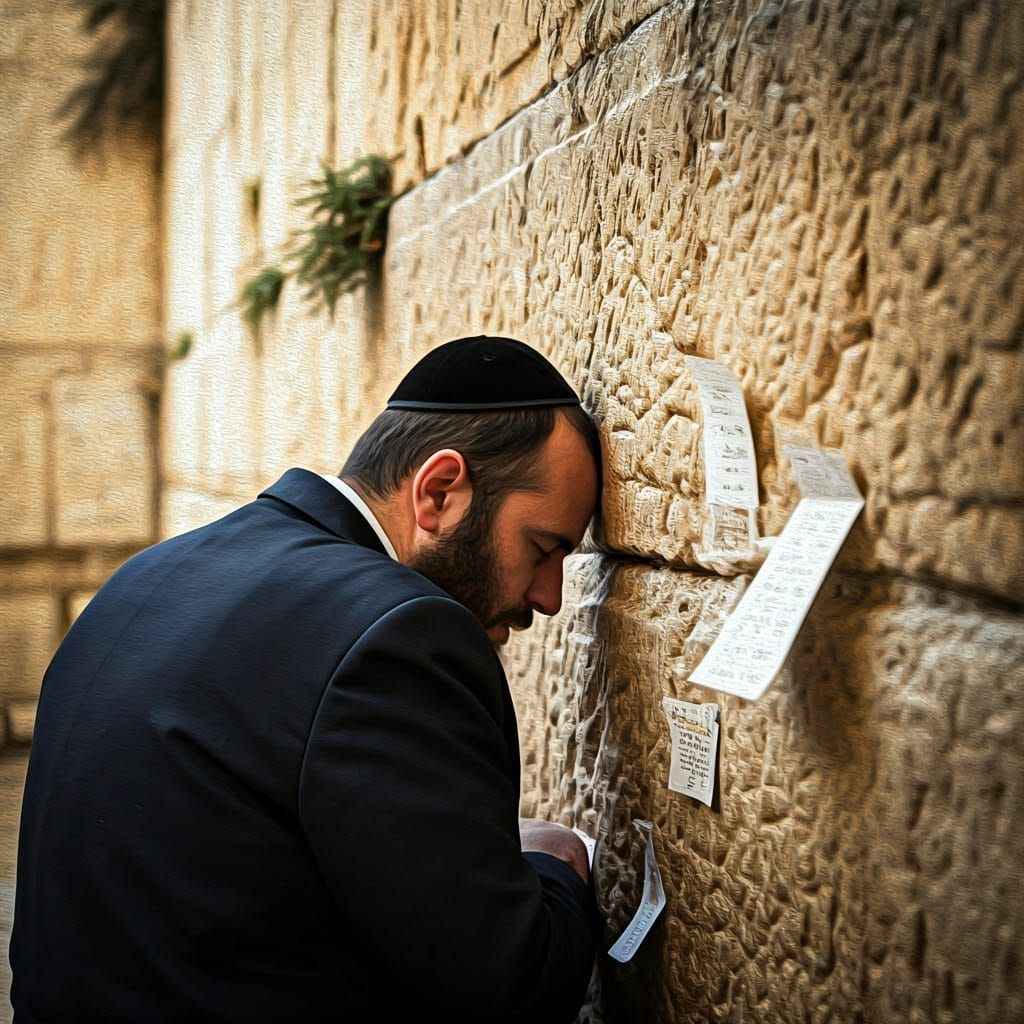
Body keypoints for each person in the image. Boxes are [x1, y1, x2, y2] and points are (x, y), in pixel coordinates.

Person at [11, 335, 603, 1023]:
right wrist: (558, 866)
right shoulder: (400, 635)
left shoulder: (150, 574)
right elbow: (508, 985)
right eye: (542, 548)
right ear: (440, 492)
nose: (551, 597)